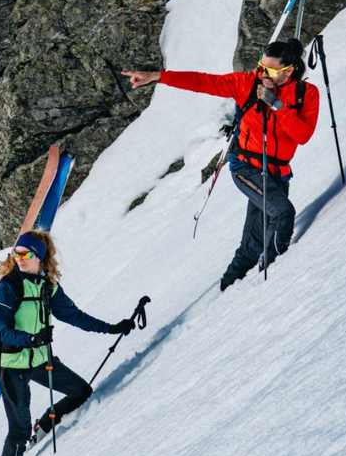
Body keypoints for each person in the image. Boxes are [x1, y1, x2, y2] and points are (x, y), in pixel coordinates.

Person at [121, 39, 320, 290]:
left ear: (289, 71)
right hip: (246, 166)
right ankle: (277, 275)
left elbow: (302, 135)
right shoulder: (247, 83)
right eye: (261, 66)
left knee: (254, 241)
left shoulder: (306, 94)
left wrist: (277, 105)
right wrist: (157, 76)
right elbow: (202, 81)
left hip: (277, 173)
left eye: (270, 70)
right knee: (282, 214)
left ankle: (227, 289)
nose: (262, 73)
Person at [0, 230, 134, 456]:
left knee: (81, 392)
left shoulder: (48, 287)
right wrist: (31, 339)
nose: (19, 258)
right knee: (19, 428)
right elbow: (2, 329)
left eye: (26, 254)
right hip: (11, 365)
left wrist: (111, 328)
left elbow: (75, 316)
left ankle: (44, 425)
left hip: (40, 360)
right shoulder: (8, 286)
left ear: (39, 257)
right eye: (16, 253)